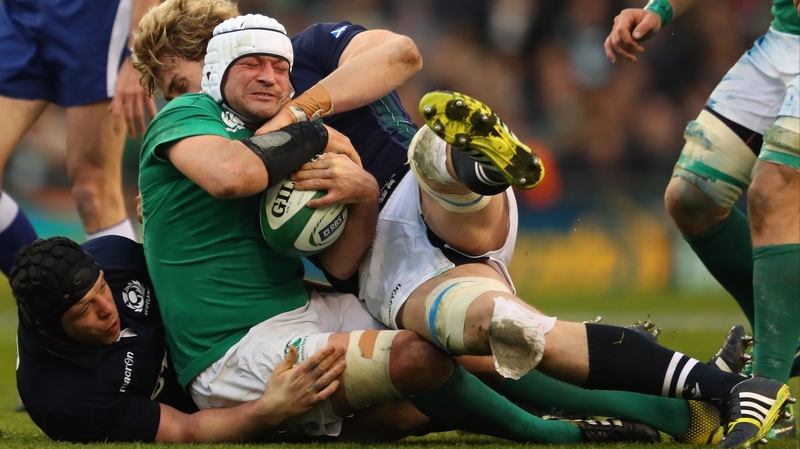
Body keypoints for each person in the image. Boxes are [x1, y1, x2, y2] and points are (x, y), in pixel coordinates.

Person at [131, 3, 795, 447]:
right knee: (504, 337)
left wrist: (303, 114)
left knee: (429, 155)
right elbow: (328, 255)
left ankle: (473, 161)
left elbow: (400, 53)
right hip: (389, 264)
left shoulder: (297, 67)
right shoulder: (217, 131)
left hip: (435, 201)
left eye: (187, 80)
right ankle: (707, 401)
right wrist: (354, 186)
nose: (189, 98)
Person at [604, 0, 800, 427]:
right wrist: (660, 9)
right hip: (784, 42)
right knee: (692, 197)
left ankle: (765, 393)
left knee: (773, 187)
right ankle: (791, 340)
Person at [10, 235, 348, 443]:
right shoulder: (66, 401)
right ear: (52, 327)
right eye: (85, 309)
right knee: (392, 419)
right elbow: (184, 431)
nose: (106, 308)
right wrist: (270, 411)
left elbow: (203, 276)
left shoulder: (114, 258)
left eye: (102, 287)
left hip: (240, 330)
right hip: (221, 403)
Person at [0, 0, 158, 277]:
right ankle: (51, 292)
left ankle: (128, 313)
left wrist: (138, 48)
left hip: (95, 15)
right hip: (20, 12)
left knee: (93, 192)